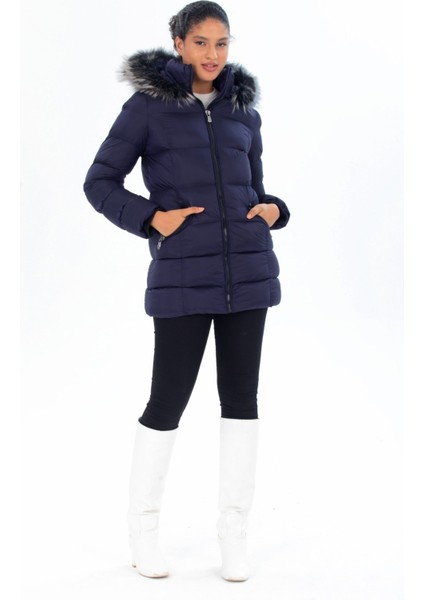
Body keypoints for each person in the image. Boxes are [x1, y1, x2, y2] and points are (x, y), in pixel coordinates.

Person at [83, 0, 290, 583]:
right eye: (201, 42)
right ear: (178, 42)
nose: (212, 54)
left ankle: (234, 533)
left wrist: (275, 210)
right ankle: (143, 530)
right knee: (167, 401)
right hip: (180, 276)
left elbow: (254, 188)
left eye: (222, 43)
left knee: (242, 401)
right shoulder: (147, 107)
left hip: (248, 274)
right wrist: (152, 218)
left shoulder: (242, 112)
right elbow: (99, 181)